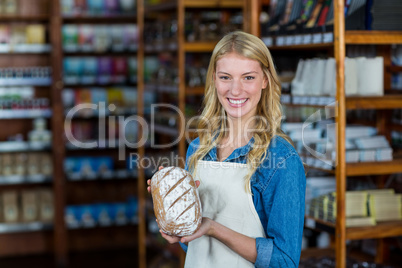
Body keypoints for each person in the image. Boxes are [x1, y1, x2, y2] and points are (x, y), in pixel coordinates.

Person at [147, 31, 306, 268]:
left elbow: (285, 261)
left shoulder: (281, 159)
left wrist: (213, 228)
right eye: (226, 77)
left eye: (248, 77)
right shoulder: (198, 149)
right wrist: (173, 213)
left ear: (265, 80)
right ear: (214, 79)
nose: (235, 90)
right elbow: (194, 244)